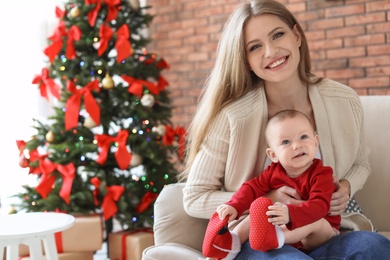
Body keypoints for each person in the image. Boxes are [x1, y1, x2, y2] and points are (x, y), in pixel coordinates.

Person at [179, 0, 390, 259]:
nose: (271, 51)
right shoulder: (232, 117)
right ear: (245, 60)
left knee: (375, 248)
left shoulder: (344, 100)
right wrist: (266, 199)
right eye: (255, 47)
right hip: (263, 239)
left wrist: (346, 186)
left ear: (297, 36)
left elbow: (361, 163)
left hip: (324, 231)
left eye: (278, 35)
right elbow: (194, 197)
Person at [202, 109, 341, 260]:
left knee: (315, 222)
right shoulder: (273, 172)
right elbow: (251, 188)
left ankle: (276, 238)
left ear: (315, 143)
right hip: (284, 229)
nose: (297, 145)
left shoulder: (322, 174)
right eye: (286, 142)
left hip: (321, 234)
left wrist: (290, 214)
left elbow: (320, 206)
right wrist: (234, 206)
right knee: (258, 208)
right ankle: (229, 245)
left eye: (303, 137)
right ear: (273, 155)